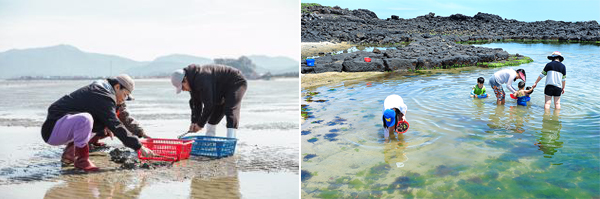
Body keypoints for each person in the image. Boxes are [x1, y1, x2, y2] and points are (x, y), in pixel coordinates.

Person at [41, 74, 155, 171]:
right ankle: (82, 160)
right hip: (52, 131)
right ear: (117, 86)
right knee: (86, 119)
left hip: (62, 128)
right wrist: (139, 147)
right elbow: (116, 124)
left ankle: (73, 153)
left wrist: (138, 133)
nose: (124, 99)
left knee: (102, 125)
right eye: (125, 95)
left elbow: (117, 121)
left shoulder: (105, 91)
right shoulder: (102, 95)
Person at [171, 64, 248, 138]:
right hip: (220, 87)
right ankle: (209, 141)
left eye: (182, 87)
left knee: (230, 109)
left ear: (185, 80)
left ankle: (231, 140)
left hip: (236, 81)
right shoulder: (192, 83)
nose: (183, 90)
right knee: (214, 113)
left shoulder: (202, 78)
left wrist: (200, 124)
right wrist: (194, 122)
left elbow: (208, 105)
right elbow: (196, 104)